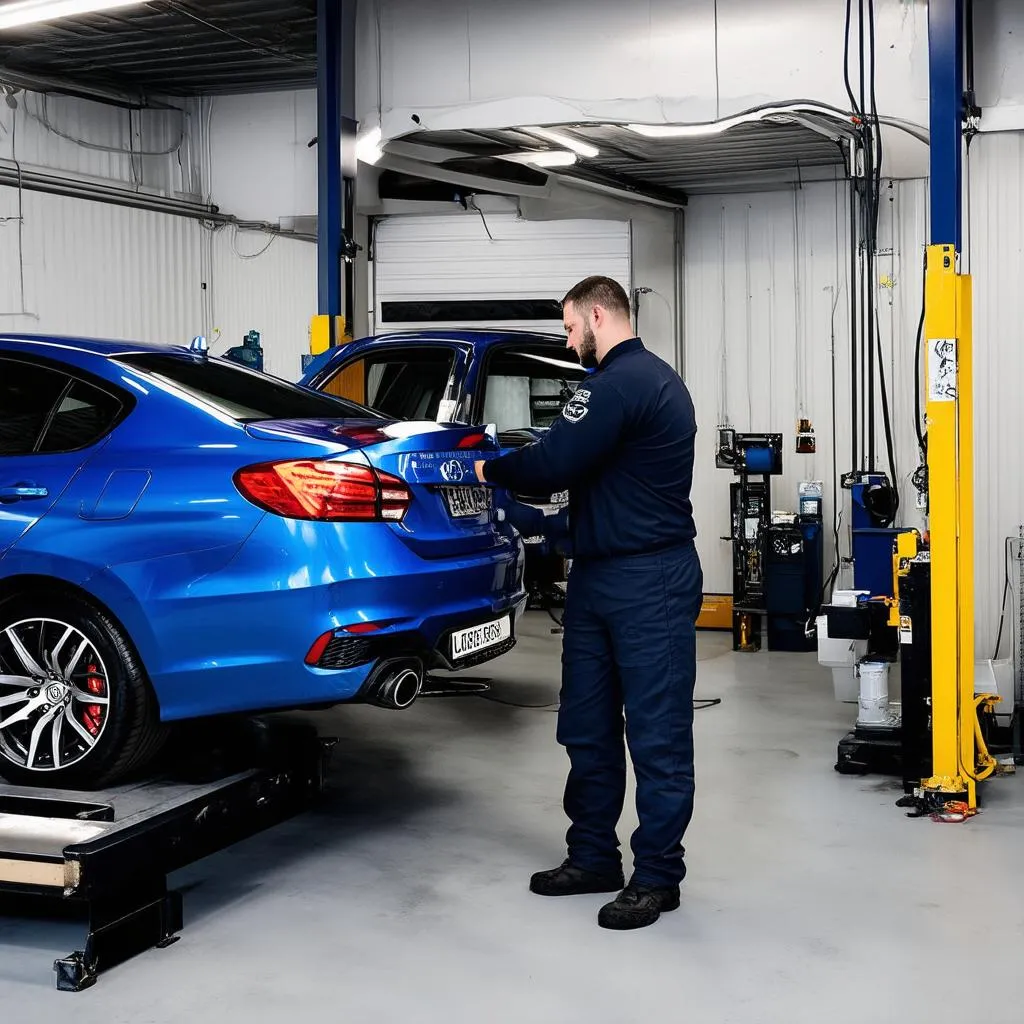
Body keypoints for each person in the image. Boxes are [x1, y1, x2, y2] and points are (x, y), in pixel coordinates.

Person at [474, 275, 702, 931]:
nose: (570, 341)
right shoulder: (638, 386)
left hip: (648, 581)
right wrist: (540, 526)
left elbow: (551, 464)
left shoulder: (620, 382)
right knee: (587, 725)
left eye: (571, 328)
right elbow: (607, 494)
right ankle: (593, 856)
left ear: (598, 316)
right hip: (602, 575)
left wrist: (486, 469)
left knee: (657, 737)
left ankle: (657, 878)